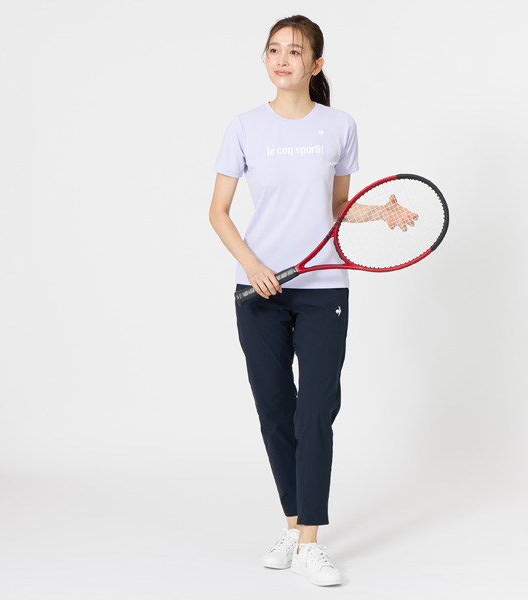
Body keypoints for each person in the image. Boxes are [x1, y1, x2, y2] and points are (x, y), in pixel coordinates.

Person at [209, 15, 359, 587]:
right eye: (274, 49)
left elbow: (337, 207)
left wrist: (376, 211)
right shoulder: (244, 126)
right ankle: (295, 527)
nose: (282, 59)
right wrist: (254, 266)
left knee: (314, 410)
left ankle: (310, 543)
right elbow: (218, 211)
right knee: (274, 410)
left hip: (323, 287)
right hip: (259, 291)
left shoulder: (339, 126)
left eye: (295, 51)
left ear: (316, 64)